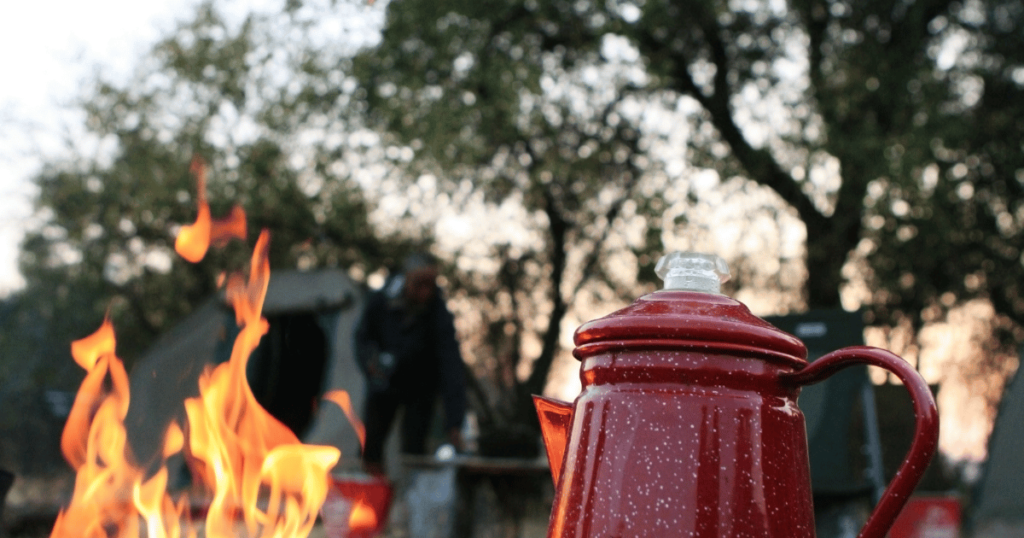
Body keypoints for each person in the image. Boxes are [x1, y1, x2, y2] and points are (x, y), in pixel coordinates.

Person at [353, 252, 467, 476]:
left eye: (430, 284)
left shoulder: (438, 312)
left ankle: (410, 499)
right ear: (407, 278)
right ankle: (370, 496)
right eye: (420, 283)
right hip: (383, 382)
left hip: (420, 386)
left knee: (414, 450)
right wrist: (370, 362)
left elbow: (451, 365)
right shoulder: (381, 301)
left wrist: (455, 421)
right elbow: (362, 338)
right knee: (371, 444)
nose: (425, 290)